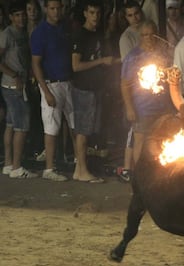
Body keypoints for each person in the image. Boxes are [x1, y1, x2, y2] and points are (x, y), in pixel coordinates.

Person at [121, 20, 176, 166]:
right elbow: (125, 84)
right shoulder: (133, 57)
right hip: (142, 108)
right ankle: (139, 174)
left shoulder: (163, 54)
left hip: (163, 106)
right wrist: (129, 108)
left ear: (156, 35)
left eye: (151, 34)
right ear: (140, 36)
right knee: (139, 139)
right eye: (145, 35)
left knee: (163, 138)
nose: (149, 38)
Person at [71, 0, 115, 183]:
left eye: (97, 13)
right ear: (85, 14)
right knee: (83, 131)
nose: (95, 16)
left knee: (87, 131)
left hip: (94, 88)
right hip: (84, 89)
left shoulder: (96, 33)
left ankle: (80, 169)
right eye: (91, 12)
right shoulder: (80, 35)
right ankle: (81, 171)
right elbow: (76, 66)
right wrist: (101, 61)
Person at [31, 0, 74, 181]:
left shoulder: (64, 28)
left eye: (58, 8)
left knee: (74, 123)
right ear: (46, 9)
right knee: (51, 127)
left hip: (68, 82)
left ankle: (78, 161)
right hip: (52, 84)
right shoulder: (40, 32)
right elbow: (36, 63)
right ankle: (49, 168)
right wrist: (46, 91)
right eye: (52, 8)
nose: (56, 12)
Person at [0, 1, 38, 178]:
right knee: (22, 126)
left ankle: (9, 164)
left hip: (16, 84)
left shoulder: (21, 33)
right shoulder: (7, 34)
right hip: (13, 86)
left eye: (23, 14)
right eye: (17, 15)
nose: (21, 18)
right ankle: (16, 167)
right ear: (10, 17)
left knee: (11, 124)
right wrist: (14, 75)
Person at [117, 0, 145, 183]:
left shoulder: (147, 29)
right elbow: (128, 68)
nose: (134, 18)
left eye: (136, 13)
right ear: (125, 18)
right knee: (133, 131)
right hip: (135, 88)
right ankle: (127, 168)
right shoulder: (126, 38)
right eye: (130, 15)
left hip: (147, 90)